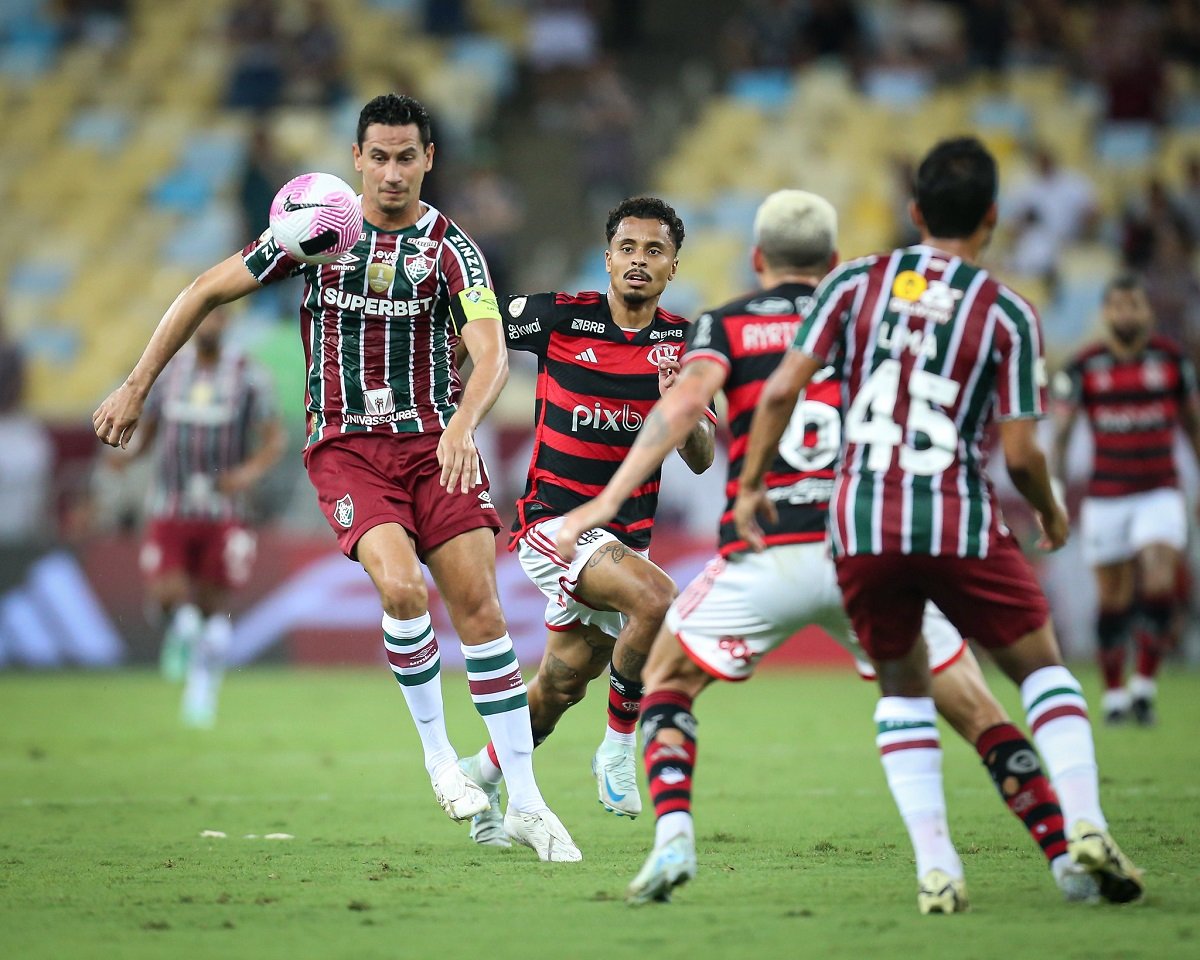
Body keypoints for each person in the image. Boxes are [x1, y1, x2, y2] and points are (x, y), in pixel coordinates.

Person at [555, 190, 1100, 907]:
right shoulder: (873, 318)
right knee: (974, 709)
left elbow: (685, 409)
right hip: (867, 543)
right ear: (836, 262)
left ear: (755, 260)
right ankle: (1067, 856)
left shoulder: (728, 322)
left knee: (667, 686)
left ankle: (673, 840)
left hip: (769, 547)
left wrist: (604, 499)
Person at [92, 93, 579, 862]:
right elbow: (204, 291)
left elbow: (490, 355)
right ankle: (438, 760)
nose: (391, 172)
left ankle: (522, 799)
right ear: (356, 158)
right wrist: (135, 384)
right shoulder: (315, 230)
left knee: (482, 610)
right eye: (378, 156)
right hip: (348, 448)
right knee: (401, 589)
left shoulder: (453, 251)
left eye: (406, 157)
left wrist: (461, 426)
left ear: (428, 161)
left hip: (435, 442)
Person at [734, 139, 1143, 912]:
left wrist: (752, 483)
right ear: (991, 219)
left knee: (902, 686)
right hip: (954, 514)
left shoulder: (853, 282)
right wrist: (1051, 512)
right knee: (1044, 669)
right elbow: (1021, 452)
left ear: (914, 213)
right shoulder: (1009, 313)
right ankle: (1085, 822)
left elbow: (785, 386)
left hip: (858, 518)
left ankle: (936, 864)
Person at [458, 197, 716, 846]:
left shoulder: (684, 346)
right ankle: (617, 750)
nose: (638, 261)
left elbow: (705, 456)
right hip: (554, 526)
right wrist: (448, 409)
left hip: (622, 540)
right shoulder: (555, 318)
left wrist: (678, 410)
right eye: (627, 248)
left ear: (672, 267)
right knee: (658, 599)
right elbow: (471, 330)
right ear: (607, 259)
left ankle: (482, 772)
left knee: (561, 685)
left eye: (653, 251)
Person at [118, 309, 284, 727]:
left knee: (212, 610)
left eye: (214, 319)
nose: (207, 326)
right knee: (167, 596)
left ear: (226, 323)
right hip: (171, 503)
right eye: (201, 320)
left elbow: (273, 437)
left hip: (222, 510)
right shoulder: (171, 370)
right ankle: (183, 634)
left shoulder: (249, 375)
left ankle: (201, 690)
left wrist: (246, 474)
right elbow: (152, 425)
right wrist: (131, 456)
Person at [1051, 274, 1200, 725]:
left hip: (1159, 491)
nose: (1125, 314)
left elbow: (1193, 426)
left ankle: (1145, 686)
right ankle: (1114, 694)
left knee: (1158, 581)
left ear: (1147, 312)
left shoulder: (1173, 362)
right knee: (1112, 600)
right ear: (1105, 313)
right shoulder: (1084, 366)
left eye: (1133, 306)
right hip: (1106, 497)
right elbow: (1061, 434)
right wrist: (1056, 492)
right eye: (1117, 306)